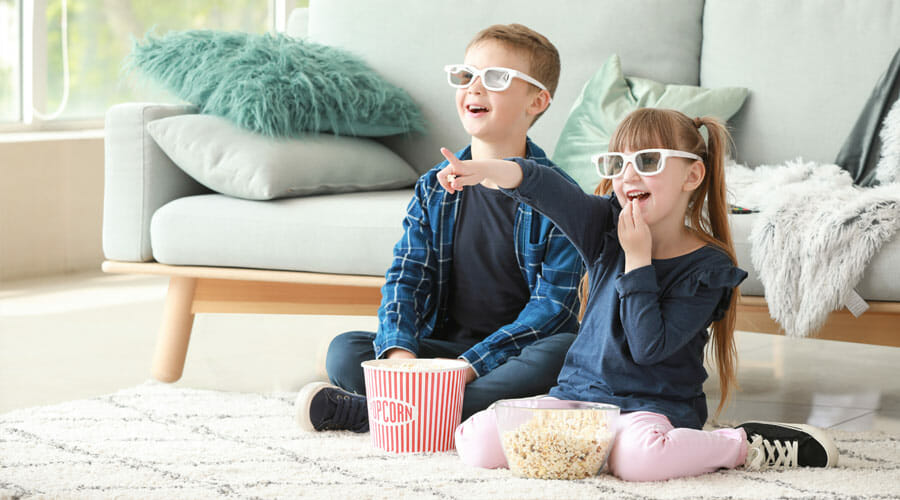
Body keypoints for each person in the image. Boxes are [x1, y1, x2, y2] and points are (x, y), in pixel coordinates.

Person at [440, 108, 839, 480]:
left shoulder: (709, 269)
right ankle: (604, 449)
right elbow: (546, 187)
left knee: (639, 459)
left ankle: (742, 445)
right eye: (618, 164)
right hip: (579, 402)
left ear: (692, 176)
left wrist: (637, 259)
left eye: (648, 162)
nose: (628, 175)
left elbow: (647, 347)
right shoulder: (601, 227)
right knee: (477, 440)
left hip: (653, 408)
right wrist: (485, 169)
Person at [294, 24, 584, 433]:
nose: (475, 88)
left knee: (566, 351)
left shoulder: (559, 196)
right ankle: (441, 407)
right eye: (466, 76)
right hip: (440, 354)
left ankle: (384, 412)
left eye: (496, 78)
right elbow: (406, 277)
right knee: (346, 350)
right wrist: (401, 359)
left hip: (507, 358)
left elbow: (553, 310)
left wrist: (468, 366)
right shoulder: (434, 187)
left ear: (537, 101)